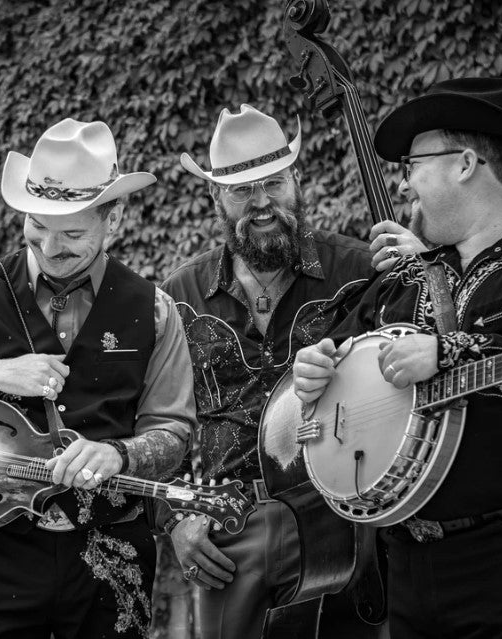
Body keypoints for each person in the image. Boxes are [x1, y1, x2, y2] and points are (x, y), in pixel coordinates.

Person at [292, 77, 502, 638]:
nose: (403, 186)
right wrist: (315, 369)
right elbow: (336, 355)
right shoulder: (402, 281)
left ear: (465, 163)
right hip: (409, 569)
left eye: (413, 165)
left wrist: (449, 351)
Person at [0, 118, 198, 639]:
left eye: (73, 233)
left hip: (114, 559)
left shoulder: (155, 311)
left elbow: (173, 438)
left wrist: (118, 454)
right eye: (37, 227)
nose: (50, 247)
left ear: (115, 219)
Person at [156, 103, 392, 638]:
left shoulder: (359, 271)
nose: (262, 203)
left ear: (296, 180)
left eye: (275, 183)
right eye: (243, 190)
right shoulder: (180, 296)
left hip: (339, 522)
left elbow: (408, 366)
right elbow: (158, 417)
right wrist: (174, 519)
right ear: (215, 197)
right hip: (224, 530)